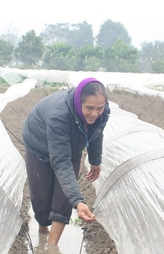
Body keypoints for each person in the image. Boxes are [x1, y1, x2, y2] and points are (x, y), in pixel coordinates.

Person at [22, 77, 110, 245]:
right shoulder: (59, 115)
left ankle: (52, 246)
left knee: (63, 195)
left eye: (99, 108)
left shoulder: (102, 112)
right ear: (79, 102)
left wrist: (95, 161)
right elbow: (61, 162)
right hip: (39, 143)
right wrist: (78, 201)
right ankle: (42, 226)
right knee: (42, 194)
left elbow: (96, 134)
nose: (94, 113)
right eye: (89, 108)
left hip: (72, 144)